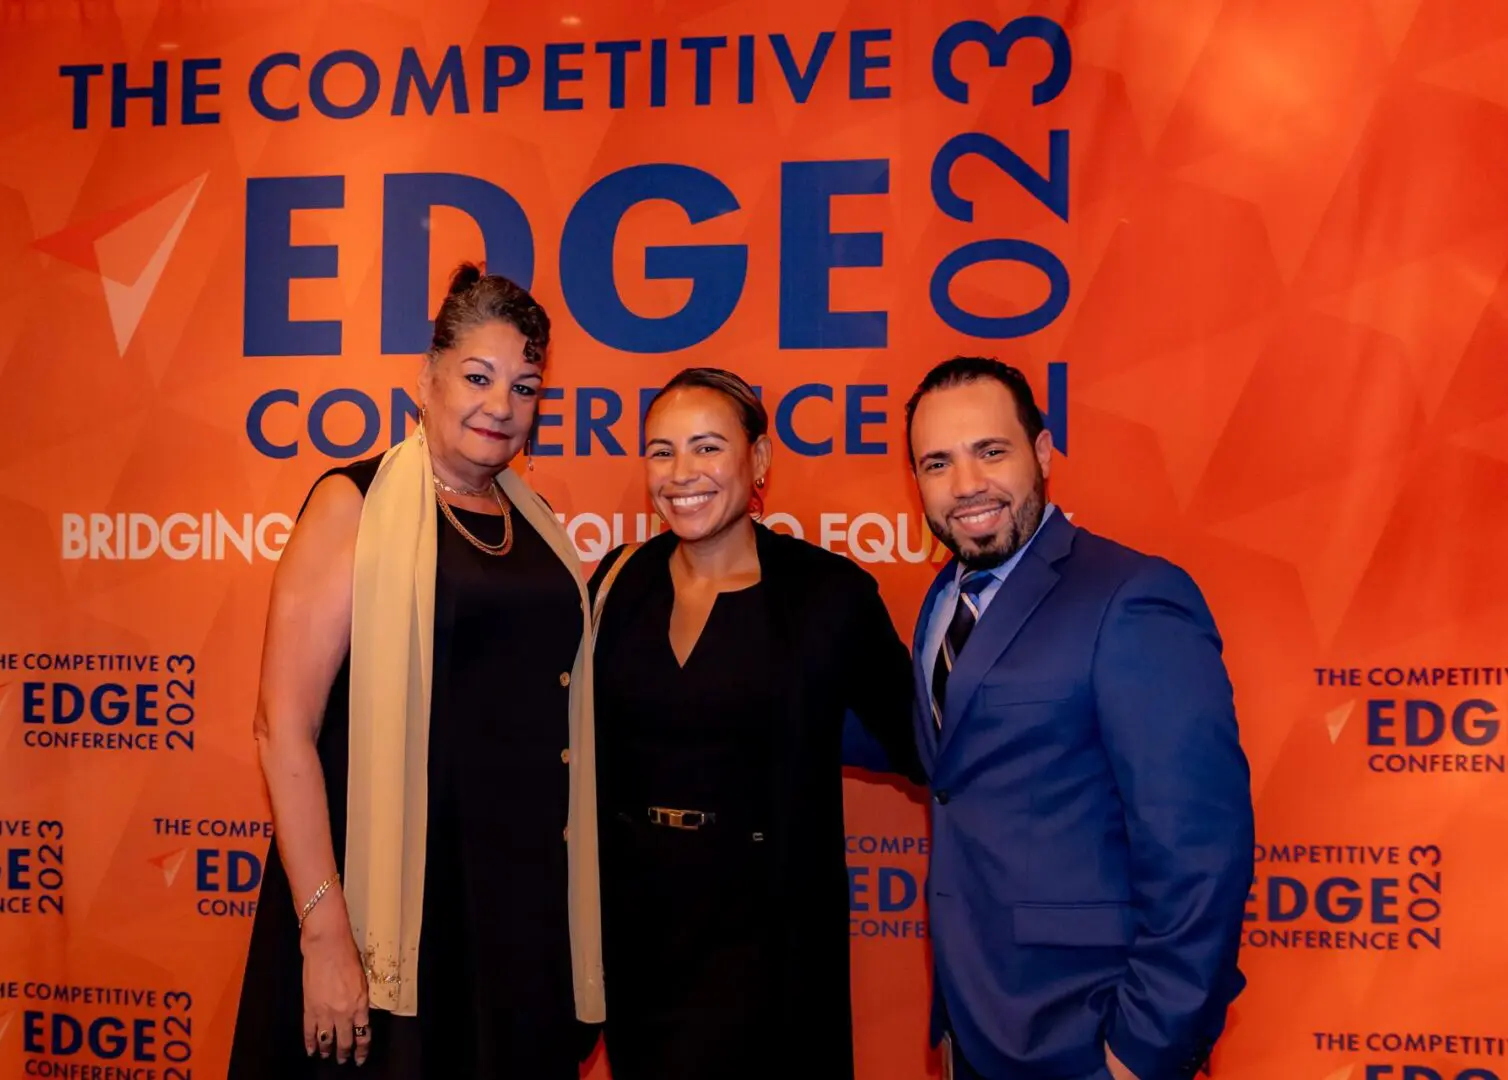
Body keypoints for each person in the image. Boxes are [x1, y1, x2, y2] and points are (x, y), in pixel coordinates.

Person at [228, 265, 603, 1079]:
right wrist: (325, 934)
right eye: (478, 377)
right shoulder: (352, 504)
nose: (501, 406)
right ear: (424, 380)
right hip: (389, 908)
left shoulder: (537, 528)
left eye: (526, 386)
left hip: (514, 913)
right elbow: (281, 725)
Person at [905, 357, 1255, 1080]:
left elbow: (1200, 851)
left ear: (1041, 454)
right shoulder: (942, 602)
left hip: (1088, 1032)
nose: (966, 485)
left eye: (990, 451)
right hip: (973, 1025)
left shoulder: (1131, 597)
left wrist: (1141, 1051)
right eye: (937, 462)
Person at [587, 367, 924, 1080]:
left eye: (708, 447)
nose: (682, 474)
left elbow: (926, 743)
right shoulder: (615, 583)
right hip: (638, 930)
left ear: (759, 461)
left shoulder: (830, 597)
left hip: (771, 942)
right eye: (661, 451)